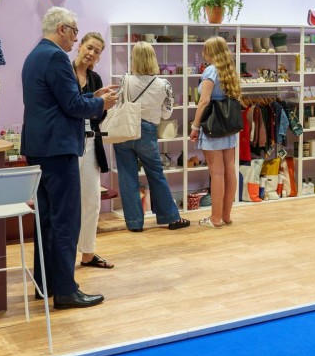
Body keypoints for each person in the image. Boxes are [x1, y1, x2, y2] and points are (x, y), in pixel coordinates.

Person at [21, 8, 117, 310]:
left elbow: (60, 102)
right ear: (62, 29)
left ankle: (45, 283)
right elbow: (73, 106)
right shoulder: (56, 58)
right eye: (75, 32)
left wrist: (93, 97)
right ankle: (65, 290)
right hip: (58, 148)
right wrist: (101, 102)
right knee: (65, 220)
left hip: (40, 147)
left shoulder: (36, 54)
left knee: (47, 220)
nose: (77, 40)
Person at [113, 43, 191, 233]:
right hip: (147, 131)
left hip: (124, 130)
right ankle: (170, 217)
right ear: (153, 58)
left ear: (134, 59)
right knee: (155, 174)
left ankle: (134, 223)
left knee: (127, 176)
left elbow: (120, 103)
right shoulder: (163, 84)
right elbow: (166, 114)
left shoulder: (126, 79)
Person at [189, 37, 242, 228]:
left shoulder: (210, 71)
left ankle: (215, 218)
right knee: (229, 169)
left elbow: (204, 101)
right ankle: (226, 215)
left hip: (213, 127)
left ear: (209, 51)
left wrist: (195, 126)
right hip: (229, 128)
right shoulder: (230, 71)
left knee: (216, 173)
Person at [72, 32, 114, 269]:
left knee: (92, 200)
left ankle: (87, 253)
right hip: (70, 142)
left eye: (97, 51)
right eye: (89, 48)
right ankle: (67, 254)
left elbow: (101, 113)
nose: (91, 54)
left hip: (90, 141)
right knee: (70, 201)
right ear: (80, 46)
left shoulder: (96, 79)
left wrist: (105, 104)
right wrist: (94, 103)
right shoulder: (65, 73)